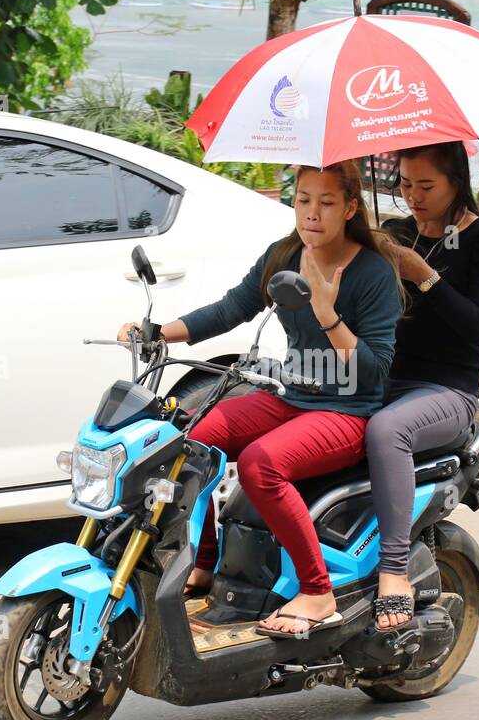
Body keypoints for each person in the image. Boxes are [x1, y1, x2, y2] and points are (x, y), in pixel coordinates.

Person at [117, 159, 402, 636]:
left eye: (327, 203)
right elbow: (233, 307)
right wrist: (159, 332)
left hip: (347, 410)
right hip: (292, 396)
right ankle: (205, 560)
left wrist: (328, 314)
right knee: (191, 439)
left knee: (260, 464)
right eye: (304, 200)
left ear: (351, 208)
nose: (312, 213)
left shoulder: (372, 272)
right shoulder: (284, 255)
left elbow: (374, 368)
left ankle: (317, 590)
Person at [365, 142, 479, 630]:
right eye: (405, 185)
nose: (413, 197)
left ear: (457, 181)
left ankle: (392, 572)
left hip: (446, 391)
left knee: (387, 431)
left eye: (426, 186)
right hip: (381, 378)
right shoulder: (396, 233)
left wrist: (425, 275)